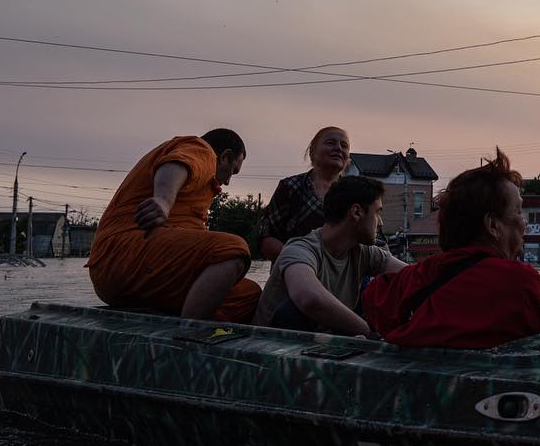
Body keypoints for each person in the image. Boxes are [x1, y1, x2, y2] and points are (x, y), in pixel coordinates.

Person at [362, 148, 540, 349]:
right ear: (493, 226)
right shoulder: (522, 285)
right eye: (518, 211)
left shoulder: (405, 283)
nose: (524, 223)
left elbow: (373, 302)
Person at [87, 129, 261, 323]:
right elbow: (177, 164)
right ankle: (188, 332)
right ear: (225, 157)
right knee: (234, 249)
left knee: (249, 294)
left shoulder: (202, 188)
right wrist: (163, 200)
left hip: (144, 274)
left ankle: (175, 316)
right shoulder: (202, 150)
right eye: (233, 171)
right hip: (121, 257)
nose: (228, 181)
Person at [253, 175, 405, 336]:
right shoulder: (300, 250)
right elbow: (309, 299)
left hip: (316, 349)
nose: (380, 222)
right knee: (291, 311)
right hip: (267, 347)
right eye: (377, 212)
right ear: (356, 212)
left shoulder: (363, 252)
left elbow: (412, 276)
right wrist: (370, 333)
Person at [255, 126, 351, 262]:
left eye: (344, 145)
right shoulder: (290, 187)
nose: (338, 148)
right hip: (292, 273)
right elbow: (267, 240)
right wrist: (299, 261)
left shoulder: (354, 194)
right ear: (312, 151)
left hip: (340, 276)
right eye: (330, 143)